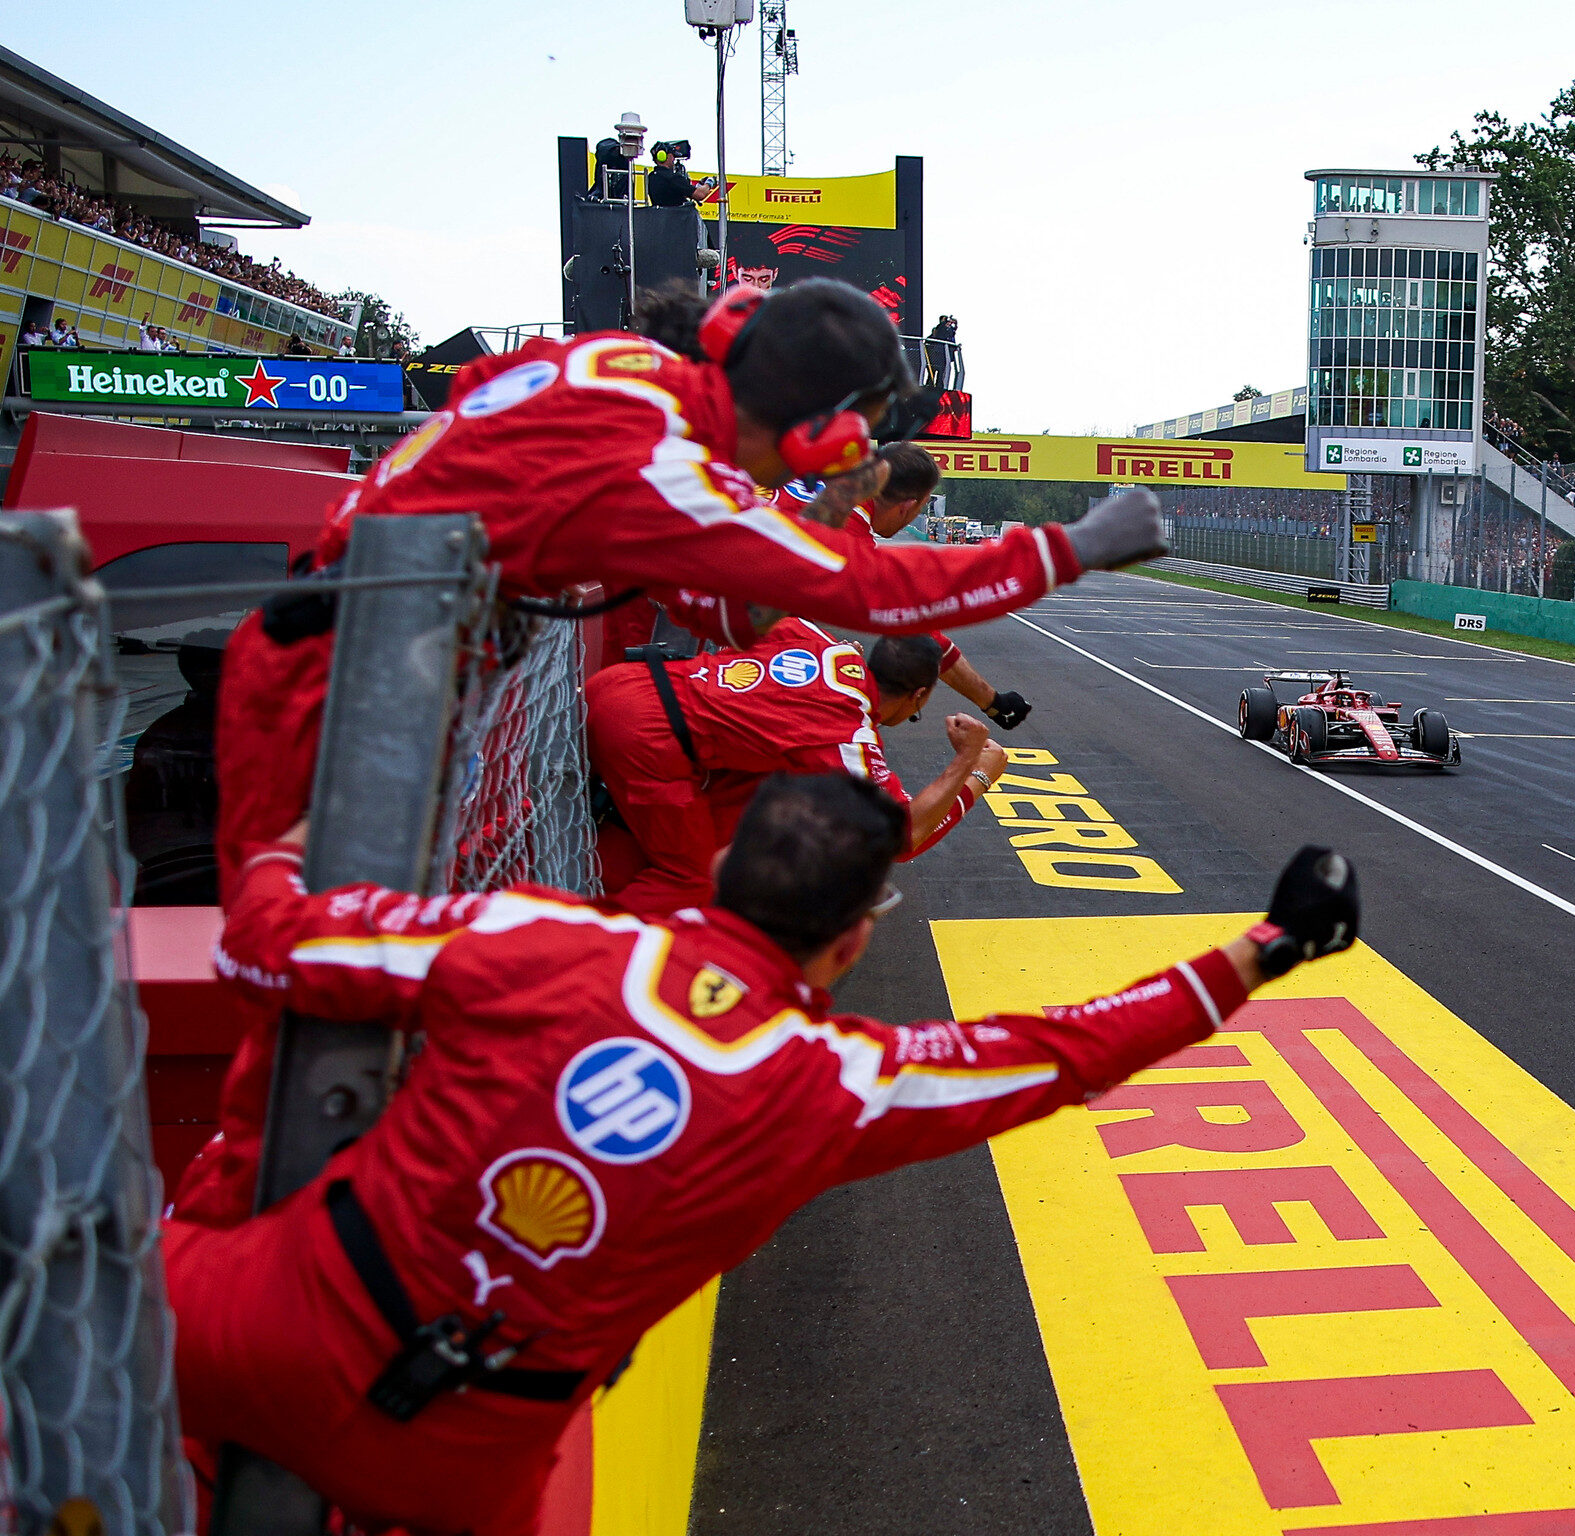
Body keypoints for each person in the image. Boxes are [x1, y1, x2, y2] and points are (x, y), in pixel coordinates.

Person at [190, 279, 1165, 1228]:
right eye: (849, 438)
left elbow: (735, 606)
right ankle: (234, 1240)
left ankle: (293, 1205)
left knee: (354, 961)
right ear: (819, 433)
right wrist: (1074, 547)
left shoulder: (628, 372)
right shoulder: (669, 474)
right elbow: (876, 594)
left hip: (388, 655)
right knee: (304, 992)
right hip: (350, 685)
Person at [166, 774, 1359, 1534]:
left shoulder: (542, 940)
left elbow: (268, 949)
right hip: (473, 1445)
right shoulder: (834, 1086)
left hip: (262, 1315)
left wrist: (289, 843)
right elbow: (1063, 1053)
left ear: (721, 869)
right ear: (849, 944)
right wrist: (1265, 944)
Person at [586, 623, 1004, 914]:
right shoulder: (847, 736)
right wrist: (972, 766)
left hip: (626, 681)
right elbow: (903, 835)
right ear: (918, 696)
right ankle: (581, 951)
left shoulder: (814, 636)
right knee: (691, 881)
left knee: (749, 791)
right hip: (647, 738)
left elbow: (747, 629)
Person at [776, 442, 1032, 728]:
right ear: (909, 506)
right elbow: (920, 635)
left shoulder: (815, 474)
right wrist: (994, 702)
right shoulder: (849, 541)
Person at [927, 313, 957, 389]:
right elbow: (940, 329)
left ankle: (939, 385)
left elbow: (953, 330)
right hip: (937, 353)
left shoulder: (949, 331)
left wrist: (954, 323)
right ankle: (930, 384)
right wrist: (944, 322)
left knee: (941, 372)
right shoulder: (939, 329)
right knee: (933, 370)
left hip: (944, 354)